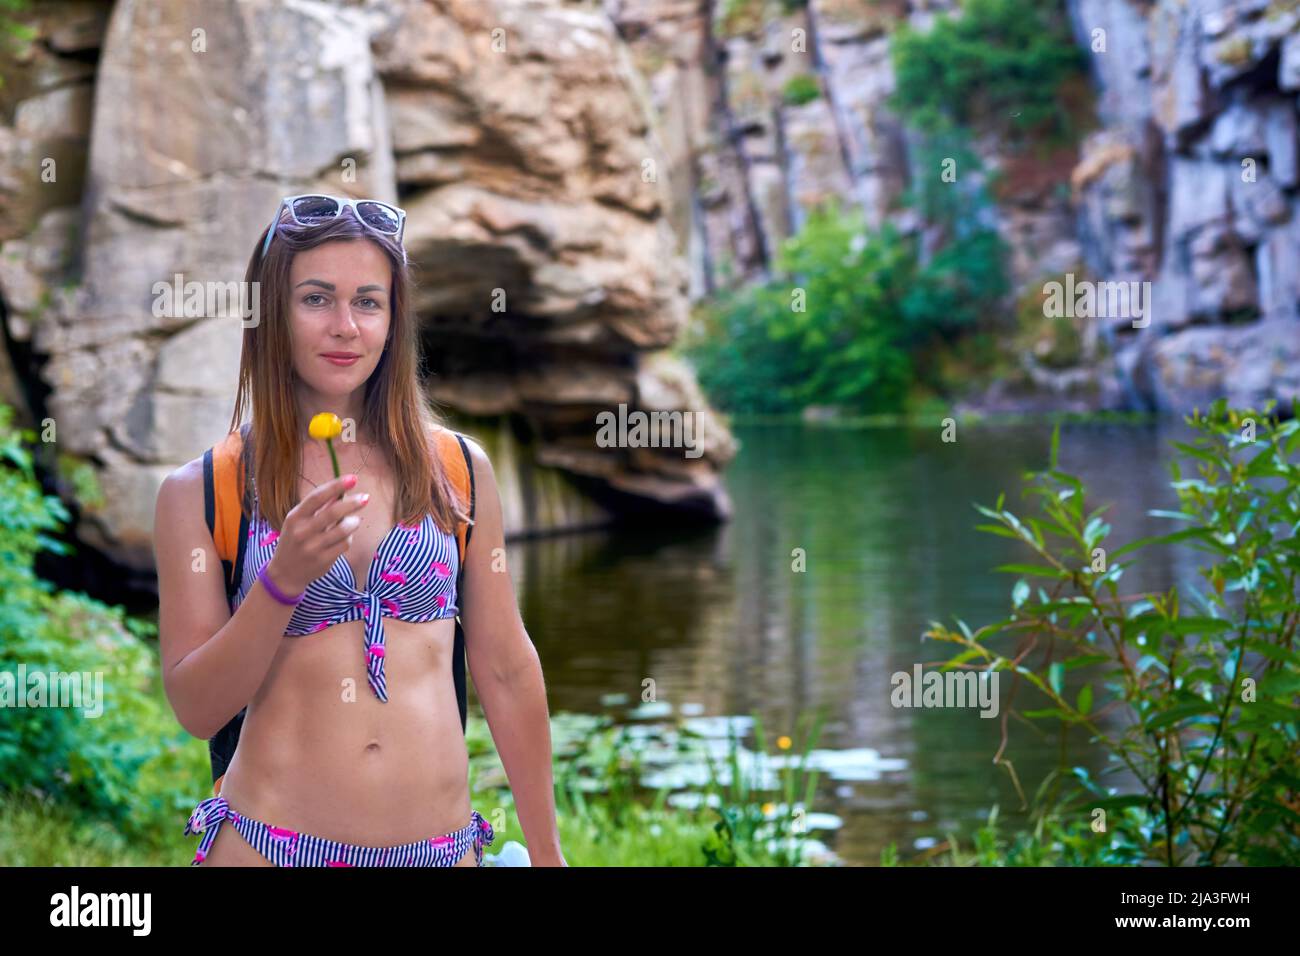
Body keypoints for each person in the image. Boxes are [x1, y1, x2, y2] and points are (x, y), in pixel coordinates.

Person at [153, 194, 566, 866]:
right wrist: (280, 583)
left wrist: (547, 853)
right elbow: (198, 708)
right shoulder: (203, 489)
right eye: (316, 298)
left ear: (394, 320)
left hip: (443, 851)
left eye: (368, 302)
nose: (345, 325)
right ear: (272, 315)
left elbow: (507, 669)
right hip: (272, 850)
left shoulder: (457, 470)